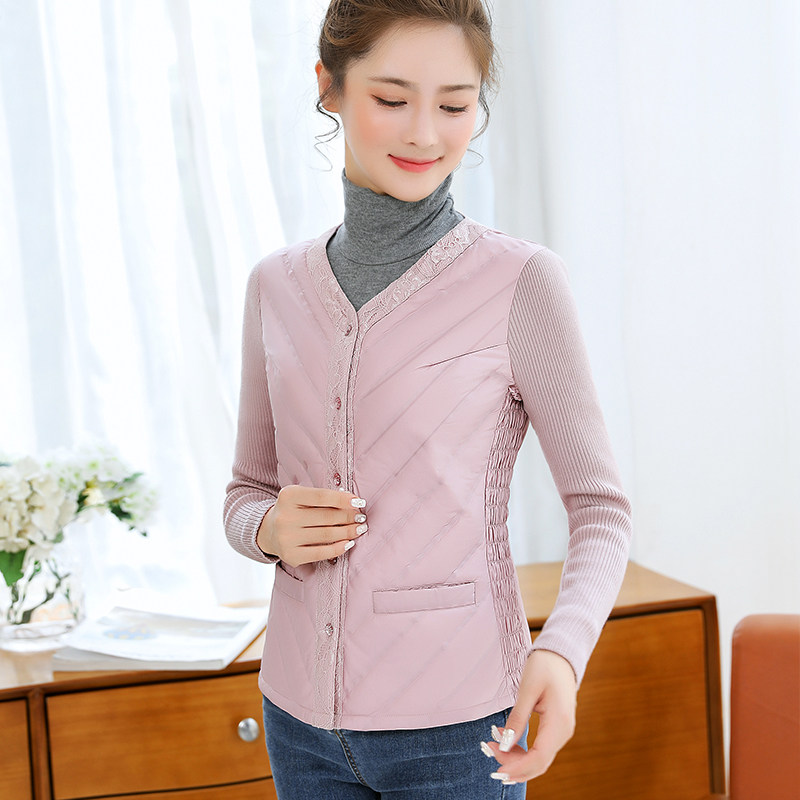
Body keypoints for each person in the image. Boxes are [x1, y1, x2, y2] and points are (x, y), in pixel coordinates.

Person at [224, 1, 632, 797]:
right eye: (391, 98)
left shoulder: (520, 282)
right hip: (298, 723)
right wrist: (267, 529)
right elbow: (246, 492)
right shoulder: (275, 286)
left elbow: (601, 509)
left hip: (459, 728)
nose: (424, 134)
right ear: (329, 87)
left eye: (454, 105)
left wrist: (562, 651)